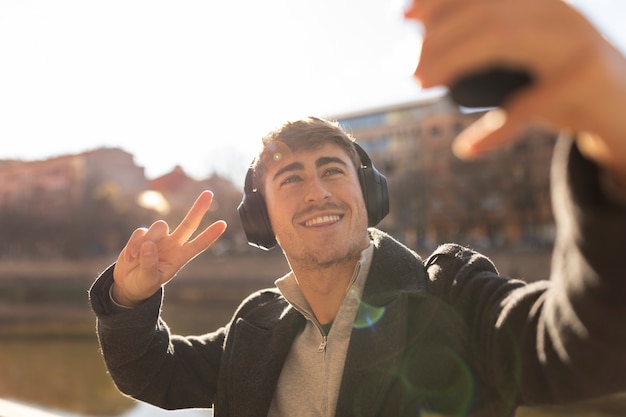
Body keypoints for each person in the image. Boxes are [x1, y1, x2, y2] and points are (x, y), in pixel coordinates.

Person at [89, 0, 626, 416]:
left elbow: (587, 345)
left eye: (332, 170)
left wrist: (615, 140)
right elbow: (153, 374)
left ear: (368, 194)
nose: (317, 192)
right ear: (262, 218)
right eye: (291, 178)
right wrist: (130, 297)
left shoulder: (452, 295)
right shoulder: (256, 324)